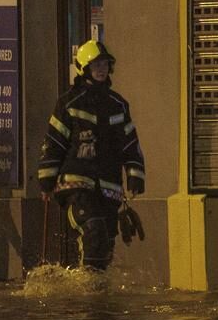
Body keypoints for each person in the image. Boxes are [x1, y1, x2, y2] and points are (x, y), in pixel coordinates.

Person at [36, 39, 145, 271]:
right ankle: (86, 291)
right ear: (84, 68)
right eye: (96, 64)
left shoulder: (118, 105)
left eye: (105, 64)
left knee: (105, 245)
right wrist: (46, 181)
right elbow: (54, 142)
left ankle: (93, 291)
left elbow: (130, 143)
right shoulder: (68, 103)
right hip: (77, 186)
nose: (101, 69)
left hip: (109, 188)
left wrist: (135, 175)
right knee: (93, 231)